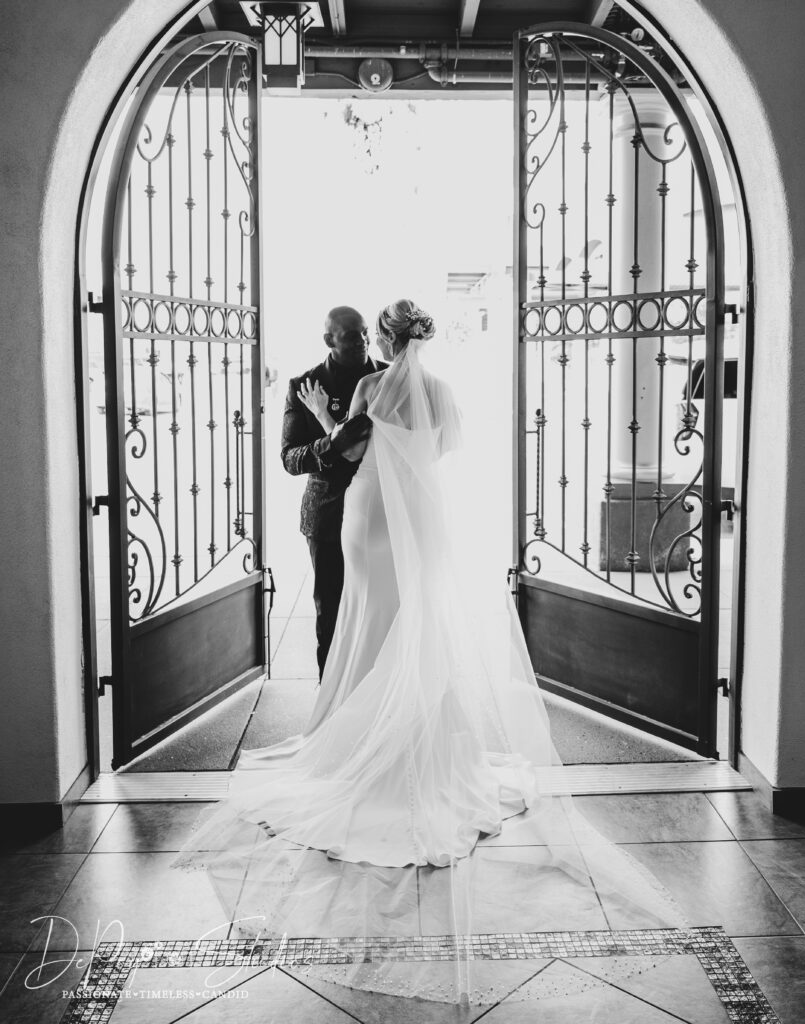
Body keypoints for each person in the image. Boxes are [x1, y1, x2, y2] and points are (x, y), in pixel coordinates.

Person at [172, 300, 686, 1007]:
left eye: (366, 334)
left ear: (380, 339)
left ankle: (363, 731)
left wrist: (332, 420)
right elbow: (435, 451)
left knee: (370, 624)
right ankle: (399, 725)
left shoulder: (368, 388)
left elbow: (353, 447)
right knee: (403, 626)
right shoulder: (433, 391)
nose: (357, 342)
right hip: (415, 518)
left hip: (369, 518)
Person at [280, 305, 388, 679]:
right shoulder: (304, 386)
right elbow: (290, 458)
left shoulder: (388, 379)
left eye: (364, 333)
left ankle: (378, 695)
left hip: (380, 512)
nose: (363, 341)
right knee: (332, 610)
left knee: (382, 608)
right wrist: (331, 442)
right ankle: (330, 701)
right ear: (329, 339)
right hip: (327, 515)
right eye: (352, 335)